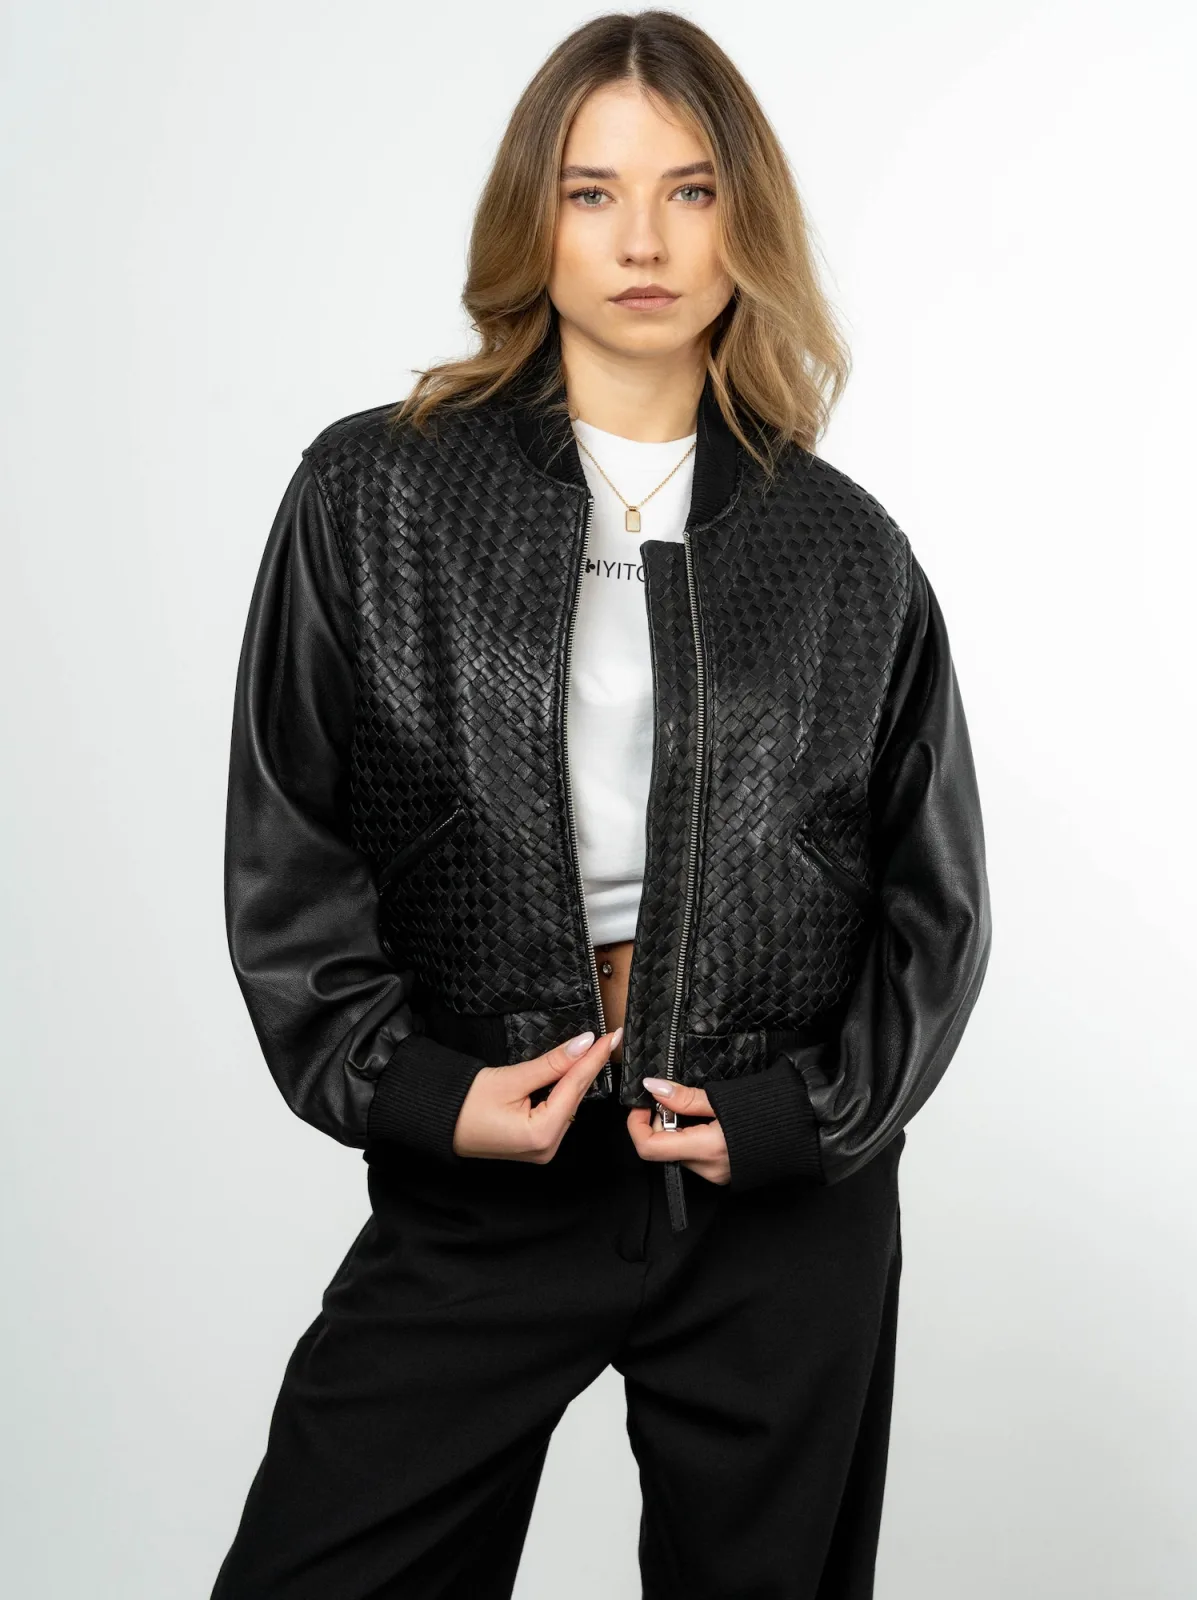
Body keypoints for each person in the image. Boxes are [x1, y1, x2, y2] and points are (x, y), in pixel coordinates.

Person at [209, 11, 991, 1598]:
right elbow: (290, 835)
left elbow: (935, 902)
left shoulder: (848, 554)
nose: (644, 240)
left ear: (744, 222)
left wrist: (807, 1118)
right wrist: (414, 1090)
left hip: (770, 1194)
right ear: (534, 218)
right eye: (592, 193)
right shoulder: (377, 495)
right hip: (493, 1163)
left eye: (690, 191)